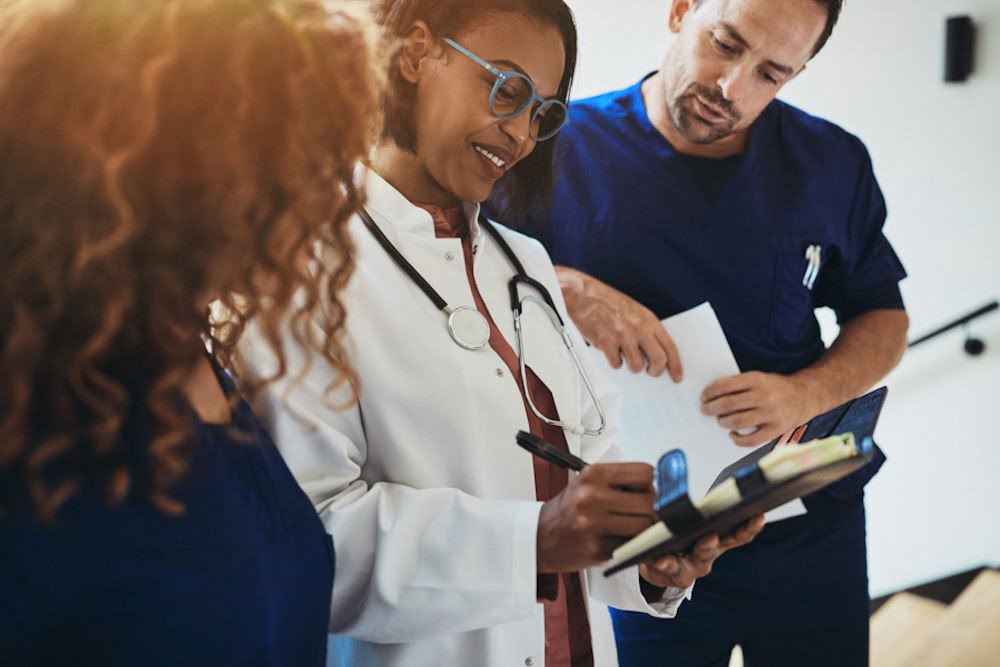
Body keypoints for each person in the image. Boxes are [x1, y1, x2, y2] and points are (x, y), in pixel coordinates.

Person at [242, 1, 764, 665]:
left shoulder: (524, 262)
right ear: (414, 55)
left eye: (541, 113)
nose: (520, 135)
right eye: (507, 90)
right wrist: (535, 539)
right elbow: (306, 545)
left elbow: (590, 453)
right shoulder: (298, 264)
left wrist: (650, 549)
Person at [498, 0, 909, 664]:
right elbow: (467, 275)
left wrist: (804, 394)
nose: (732, 88)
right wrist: (562, 287)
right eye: (724, 44)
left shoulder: (831, 163)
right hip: (645, 534)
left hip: (807, 519)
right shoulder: (555, 151)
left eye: (771, 74)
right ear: (681, 10)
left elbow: (883, 314)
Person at [0, 1, 376, 664]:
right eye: (299, 165)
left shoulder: (193, 355)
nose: (330, 200)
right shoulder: (35, 435)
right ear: (168, 171)